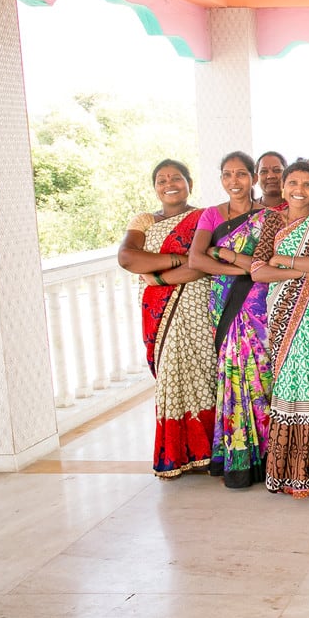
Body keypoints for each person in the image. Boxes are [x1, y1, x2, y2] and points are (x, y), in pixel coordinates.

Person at [118, 160, 215, 478]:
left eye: (176, 178)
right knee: (170, 374)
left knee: (203, 371)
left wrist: (157, 275)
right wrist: (177, 259)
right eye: (162, 179)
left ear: (190, 183)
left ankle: (211, 451)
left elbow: (202, 265)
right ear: (154, 187)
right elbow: (128, 257)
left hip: (196, 303)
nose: (169, 183)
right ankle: (177, 454)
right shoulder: (144, 220)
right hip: (158, 311)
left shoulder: (204, 218)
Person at [251, 161, 309, 498]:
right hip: (281, 312)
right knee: (286, 386)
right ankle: (283, 474)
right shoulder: (272, 219)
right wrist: (298, 271)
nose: (299, 189)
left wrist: (282, 262)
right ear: (284, 185)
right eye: (293, 182)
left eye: (307, 183)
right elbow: (258, 271)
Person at [186, 152, 273, 488]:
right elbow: (196, 259)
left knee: (261, 374)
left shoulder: (268, 216)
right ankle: (239, 460)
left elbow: (265, 261)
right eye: (227, 175)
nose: (234, 181)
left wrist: (225, 256)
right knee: (232, 372)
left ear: (253, 177)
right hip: (225, 301)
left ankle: (266, 457)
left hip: (258, 303)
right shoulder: (211, 215)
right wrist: (238, 268)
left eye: (241, 174)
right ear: (221, 179)